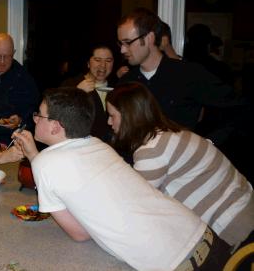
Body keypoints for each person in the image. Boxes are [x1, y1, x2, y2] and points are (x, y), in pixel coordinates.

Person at [13, 87, 230, 270]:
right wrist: (36, 157)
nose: (35, 120)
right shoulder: (98, 145)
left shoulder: (46, 164)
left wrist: (37, 160)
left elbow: (80, 234)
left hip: (181, 262)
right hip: (207, 237)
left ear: (55, 125)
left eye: (39, 115)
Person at [106, 82, 254, 249]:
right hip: (246, 207)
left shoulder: (152, 150)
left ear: (129, 115)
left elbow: (135, 204)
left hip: (233, 227)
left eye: (112, 115)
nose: (109, 122)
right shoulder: (172, 132)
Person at [116, 8, 240, 135]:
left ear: (150, 38)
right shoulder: (126, 81)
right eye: (121, 44)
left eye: (128, 42)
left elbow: (237, 107)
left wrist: (209, 141)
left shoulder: (188, 74)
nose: (123, 50)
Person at [60, 45, 115, 139]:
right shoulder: (71, 84)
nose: (103, 65)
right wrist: (78, 93)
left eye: (108, 61)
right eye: (97, 60)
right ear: (88, 63)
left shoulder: (118, 87)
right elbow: (59, 115)